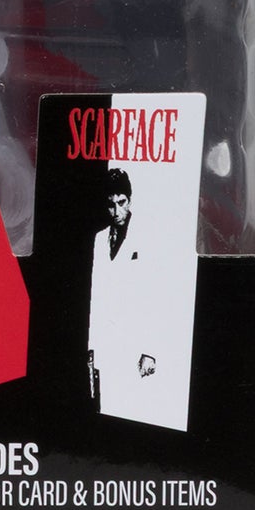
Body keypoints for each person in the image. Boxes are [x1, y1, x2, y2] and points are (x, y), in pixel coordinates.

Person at [87, 168, 160, 411]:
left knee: (130, 409)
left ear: (130, 200)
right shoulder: (99, 239)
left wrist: (149, 350)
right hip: (104, 343)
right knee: (102, 407)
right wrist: (91, 347)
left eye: (122, 202)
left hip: (133, 344)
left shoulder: (147, 236)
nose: (117, 211)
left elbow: (155, 296)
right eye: (111, 205)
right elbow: (96, 294)